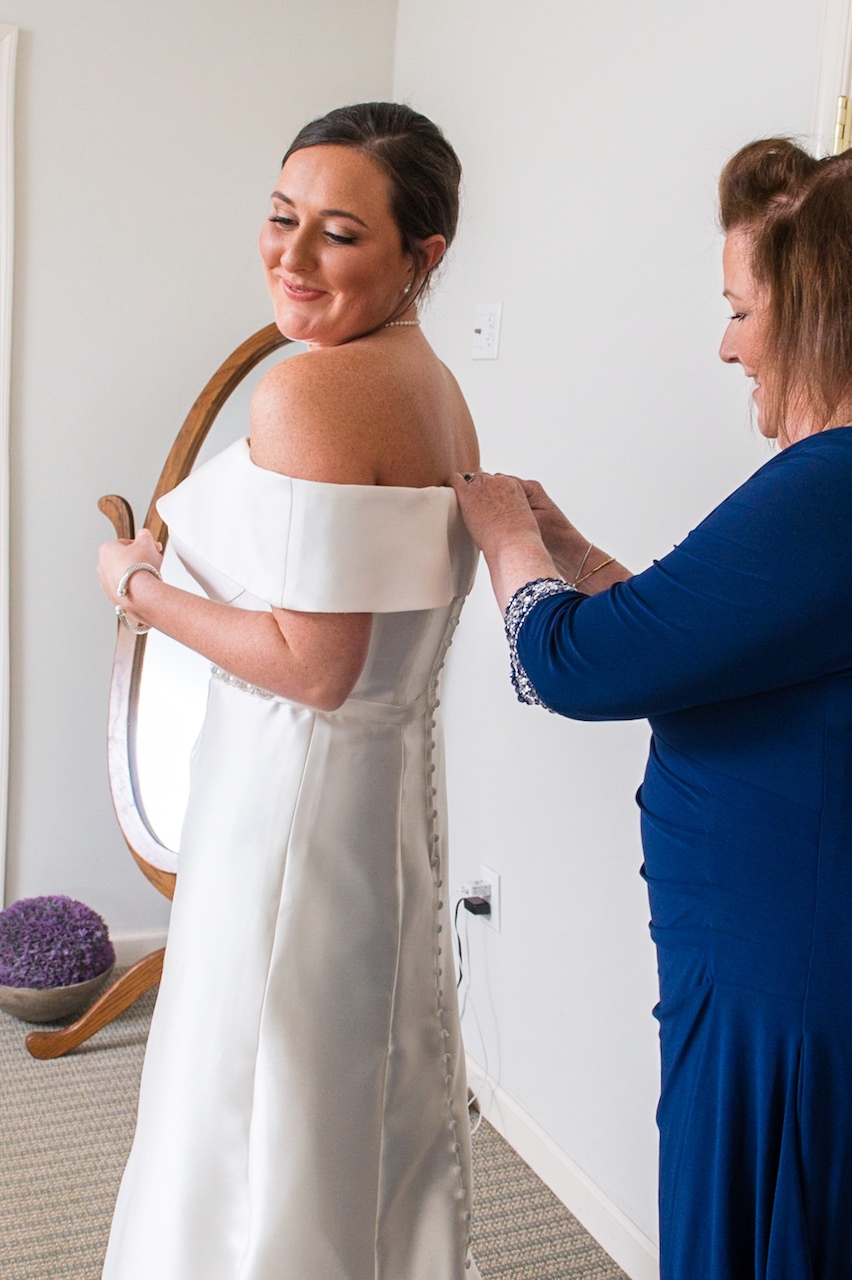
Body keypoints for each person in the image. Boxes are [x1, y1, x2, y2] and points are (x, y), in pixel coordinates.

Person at [451, 137, 852, 1280]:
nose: (727, 344)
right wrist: (571, 552)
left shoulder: (831, 485)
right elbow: (711, 643)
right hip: (770, 965)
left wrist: (507, 542)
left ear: (820, 308)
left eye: (742, 308)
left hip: (781, 991)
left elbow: (580, 668)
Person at [97, 102, 481, 1280]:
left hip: (291, 815)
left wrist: (138, 587)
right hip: (383, 811)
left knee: (249, 1111)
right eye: (280, 218)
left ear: (425, 255)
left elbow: (316, 666)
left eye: (339, 233)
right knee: (349, 1102)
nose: (293, 257)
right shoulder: (432, 384)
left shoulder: (308, 395)